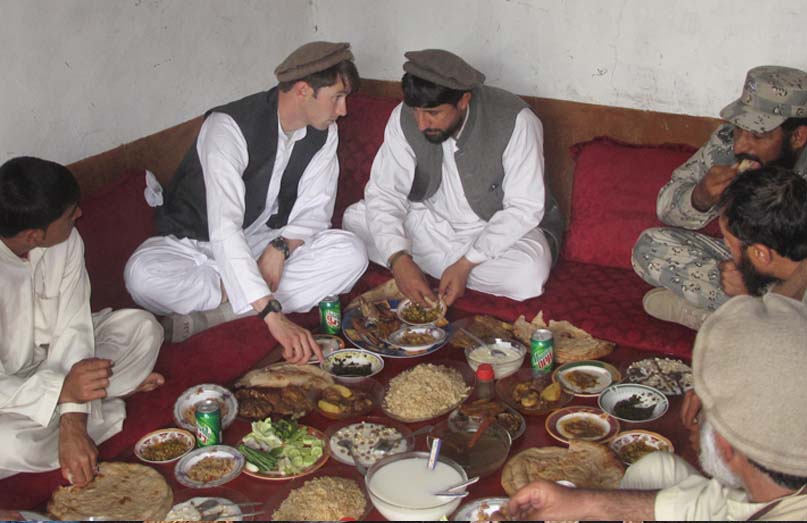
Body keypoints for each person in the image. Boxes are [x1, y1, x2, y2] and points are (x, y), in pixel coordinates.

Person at [124, 42, 368, 362]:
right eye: (337, 97)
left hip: (259, 241)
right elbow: (224, 227)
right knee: (141, 274)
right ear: (303, 90)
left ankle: (219, 315)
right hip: (194, 245)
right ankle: (250, 298)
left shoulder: (324, 132)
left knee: (351, 253)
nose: (343, 110)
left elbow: (316, 210)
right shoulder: (227, 128)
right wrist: (271, 315)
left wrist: (279, 248)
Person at [508, 293, 807, 520]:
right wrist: (587, 502)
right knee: (657, 467)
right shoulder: (782, 484)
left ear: (726, 447)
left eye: (702, 412)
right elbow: (721, 504)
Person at [342, 49, 563, 307]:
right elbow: (385, 192)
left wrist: (467, 262)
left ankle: (441, 268)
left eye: (433, 113)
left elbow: (524, 208)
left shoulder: (516, 121)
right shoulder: (404, 117)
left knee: (528, 275)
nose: (422, 124)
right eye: (416, 111)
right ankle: (416, 264)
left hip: (493, 227)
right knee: (354, 220)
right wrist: (399, 260)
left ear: (463, 100)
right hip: (431, 221)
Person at [0, 157, 164, 486]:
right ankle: (106, 401)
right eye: (70, 213)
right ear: (33, 235)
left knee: (142, 329)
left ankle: (88, 406)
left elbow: (73, 328)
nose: (79, 215)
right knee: (9, 444)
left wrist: (71, 410)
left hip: (64, 365)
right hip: (11, 392)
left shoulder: (66, 239)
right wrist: (62, 391)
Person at [632, 65, 807, 329]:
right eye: (738, 128)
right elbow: (665, 209)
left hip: (795, 270)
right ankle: (752, 319)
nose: (740, 146)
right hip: (743, 255)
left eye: (758, 135)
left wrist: (753, 291)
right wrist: (700, 197)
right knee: (649, 246)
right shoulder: (726, 144)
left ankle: (720, 320)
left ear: (798, 135)